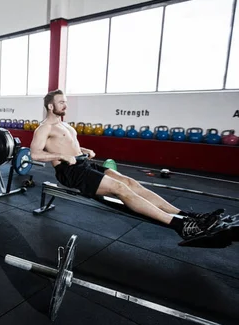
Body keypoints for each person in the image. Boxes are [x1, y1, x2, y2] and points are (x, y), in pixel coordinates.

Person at [29, 89, 224, 242]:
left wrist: (84, 150)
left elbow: (70, 146)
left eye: (66, 102)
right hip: (70, 172)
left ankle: (188, 216)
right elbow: (35, 153)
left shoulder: (66, 125)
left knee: (131, 183)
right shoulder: (44, 127)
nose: (66, 105)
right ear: (50, 106)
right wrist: (61, 155)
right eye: (61, 102)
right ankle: (181, 227)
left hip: (83, 163)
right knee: (120, 189)